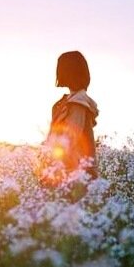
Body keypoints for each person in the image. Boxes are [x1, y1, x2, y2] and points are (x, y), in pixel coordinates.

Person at [43, 51, 99, 182]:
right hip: (66, 172)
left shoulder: (78, 103)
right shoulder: (67, 102)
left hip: (73, 174)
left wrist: (54, 167)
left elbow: (70, 139)